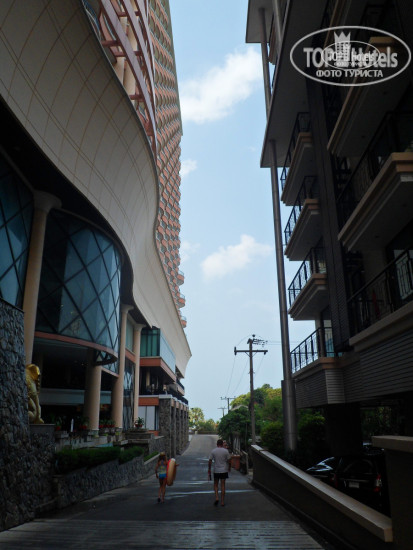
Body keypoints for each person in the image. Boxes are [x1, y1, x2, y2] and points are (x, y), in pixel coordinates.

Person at [208, 439, 231, 506]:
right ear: (222, 444)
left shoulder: (213, 451)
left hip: (216, 470)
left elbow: (210, 461)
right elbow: (229, 460)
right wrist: (229, 467)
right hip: (224, 470)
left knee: (216, 484)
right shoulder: (226, 451)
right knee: (223, 485)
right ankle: (222, 502)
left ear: (217, 444)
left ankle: (217, 497)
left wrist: (209, 469)